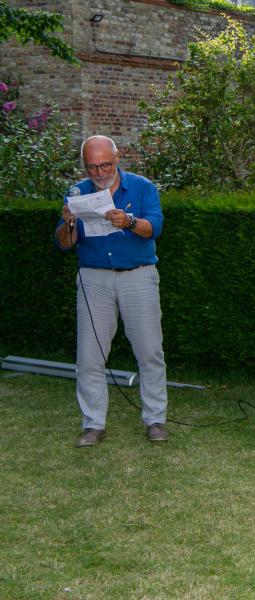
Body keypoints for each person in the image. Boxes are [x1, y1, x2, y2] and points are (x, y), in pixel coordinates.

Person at [54, 135, 169, 447]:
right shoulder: (77, 191)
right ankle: (93, 424)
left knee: (149, 351)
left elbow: (154, 228)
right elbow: (64, 245)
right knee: (89, 357)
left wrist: (129, 221)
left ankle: (155, 419)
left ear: (118, 158)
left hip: (138, 277)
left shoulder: (142, 187)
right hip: (94, 280)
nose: (99, 171)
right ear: (85, 165)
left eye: (105, 164)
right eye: (92, 166)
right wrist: (68, 224)